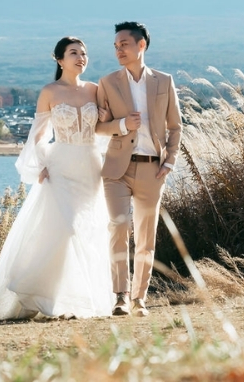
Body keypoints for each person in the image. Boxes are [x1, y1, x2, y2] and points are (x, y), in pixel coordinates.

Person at [0, 37, 113, 319]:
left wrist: (104, 117)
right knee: (63, 228)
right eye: (73, 53)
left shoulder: (96, 90)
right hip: (61, 167)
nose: (81, 57)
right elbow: (39, 134)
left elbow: (103, 129)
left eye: (84, 53)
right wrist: (40, 163)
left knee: (86, 230)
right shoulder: (50, 91)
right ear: (59, 60)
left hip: (90, 166)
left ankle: (74, 301)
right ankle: (35, 294)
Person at [94, 21, 182, 317]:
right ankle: (120, 296)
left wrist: (169, 161)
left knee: (146, 236)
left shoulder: (164, 81)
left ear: (141, 45)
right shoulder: (107, 82)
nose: (119, 50)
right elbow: (98, 126)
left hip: (152, 170)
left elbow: (175, 126)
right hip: (117, 168)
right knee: (118, 226)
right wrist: (121, 125)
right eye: (116, 46)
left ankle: (139, 298)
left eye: (124, 45)